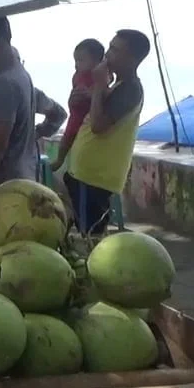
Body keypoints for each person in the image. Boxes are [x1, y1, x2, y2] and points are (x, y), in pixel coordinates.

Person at [64, 29, 150, 236]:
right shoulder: (118, 85)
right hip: (85, 173)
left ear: (131, 58)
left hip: (95, 178)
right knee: (84, 229)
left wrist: (100, 85)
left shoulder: (130, 89)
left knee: (91, 235)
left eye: (114, 49)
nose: (107, 54)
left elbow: (98, 125)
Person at [0, 17, 66, 186]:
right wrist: (36, 132)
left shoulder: (4, 84)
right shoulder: (20, 74)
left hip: (2, 188)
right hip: (22, 178)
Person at [50, 38, 106, 172]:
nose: (76, 64)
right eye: (75, 60)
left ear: (97, 61)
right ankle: (59, 159)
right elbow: (74, 92)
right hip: (76, 115)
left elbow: (104, 94)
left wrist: (90, 94)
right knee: (67, 137)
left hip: (88, 118)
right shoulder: (77, 76)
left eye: (81, 60)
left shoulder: (100, 76)